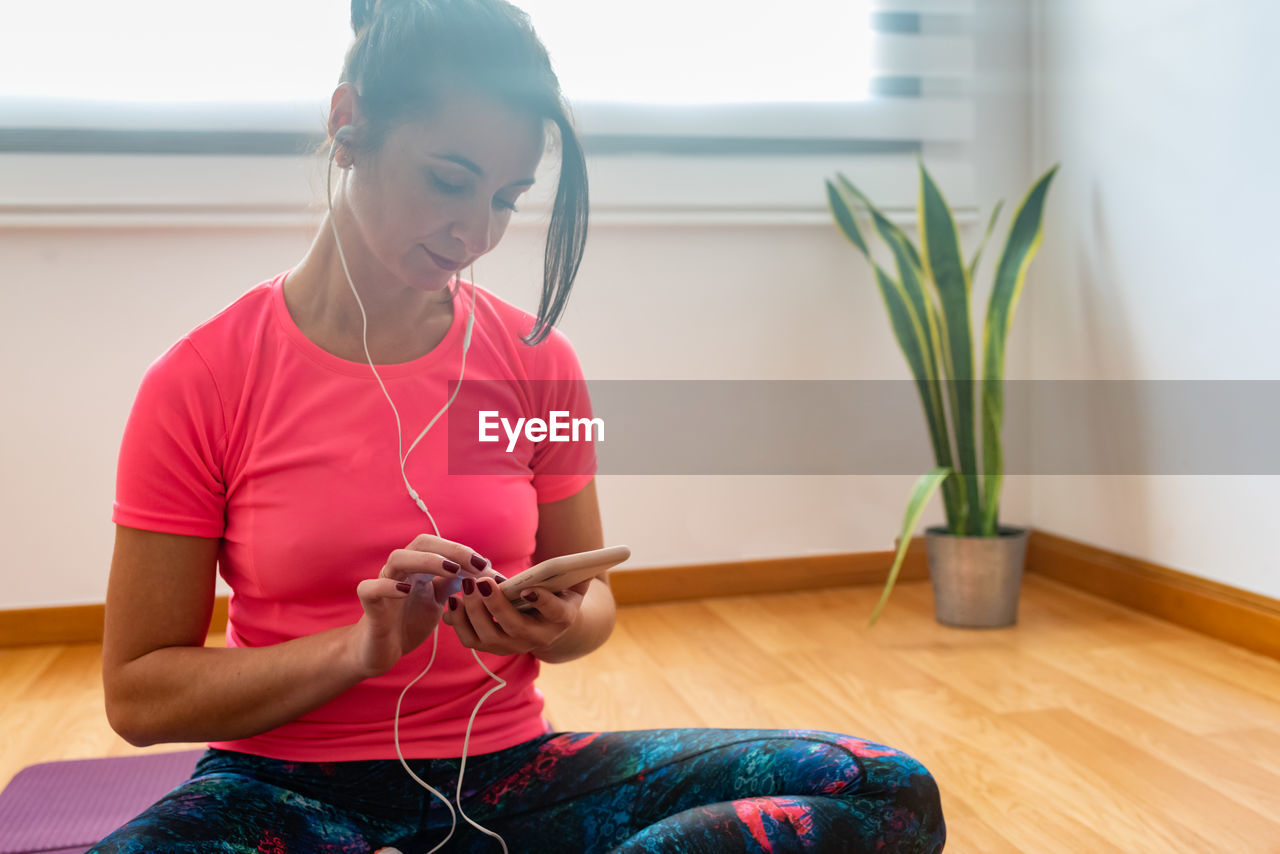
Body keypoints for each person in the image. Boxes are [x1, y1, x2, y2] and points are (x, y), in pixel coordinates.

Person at [90, 0, 946, 851]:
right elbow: (139, 695)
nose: (477, 232)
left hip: (510, 779)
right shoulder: (205, 379)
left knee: (882, 788)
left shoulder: (532, 360)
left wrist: (557, 623)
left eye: (507, 198)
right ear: (348, 127)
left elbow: (593, 600)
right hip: (281, 793)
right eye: (449, 181)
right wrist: (359, 649)